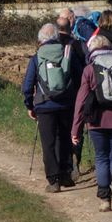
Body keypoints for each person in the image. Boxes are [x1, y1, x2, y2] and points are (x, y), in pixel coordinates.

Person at [71, 35, 112, 211]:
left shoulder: (89, 69)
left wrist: (76, 128)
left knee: (102, 157)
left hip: (96, 121)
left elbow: (81, 101)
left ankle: (105, 200)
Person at [23, 22, 83, 193]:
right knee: (64, 139)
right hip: (66, 104)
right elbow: (79, 78)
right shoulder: (67, 52)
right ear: (57, 37)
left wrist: (30, 104)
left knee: (48, 143)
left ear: (41, 39)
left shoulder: (37, 56)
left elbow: (27, 85)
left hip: (44, 105)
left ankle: (53, 180)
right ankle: (65, 174)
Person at [58, 15, 87, 180]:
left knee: (61, 129)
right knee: (77, 130)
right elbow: (84, 67)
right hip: (76, 94)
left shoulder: (50, 44)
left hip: (55, 95)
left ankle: (63, 163)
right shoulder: (77, 44)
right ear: (70, 28)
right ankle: (76, 160)